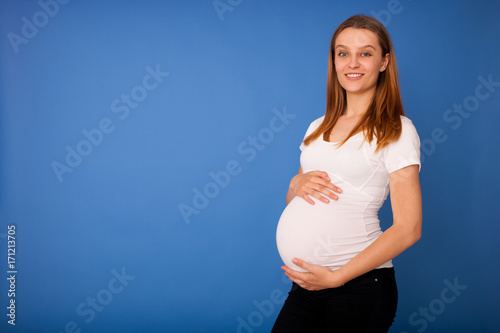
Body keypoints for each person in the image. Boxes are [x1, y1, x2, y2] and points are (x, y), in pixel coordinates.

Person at [272, 14, 422, 332]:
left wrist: (336, 277)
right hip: (310, 283)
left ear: (384, 61)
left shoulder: (396, 130)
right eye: (343, 53)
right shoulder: (318, 126)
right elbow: (294, 201)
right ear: (334, 60)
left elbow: (409, 228)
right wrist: (295, 182)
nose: (352, 63)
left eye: (365, 53)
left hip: (360, 286)